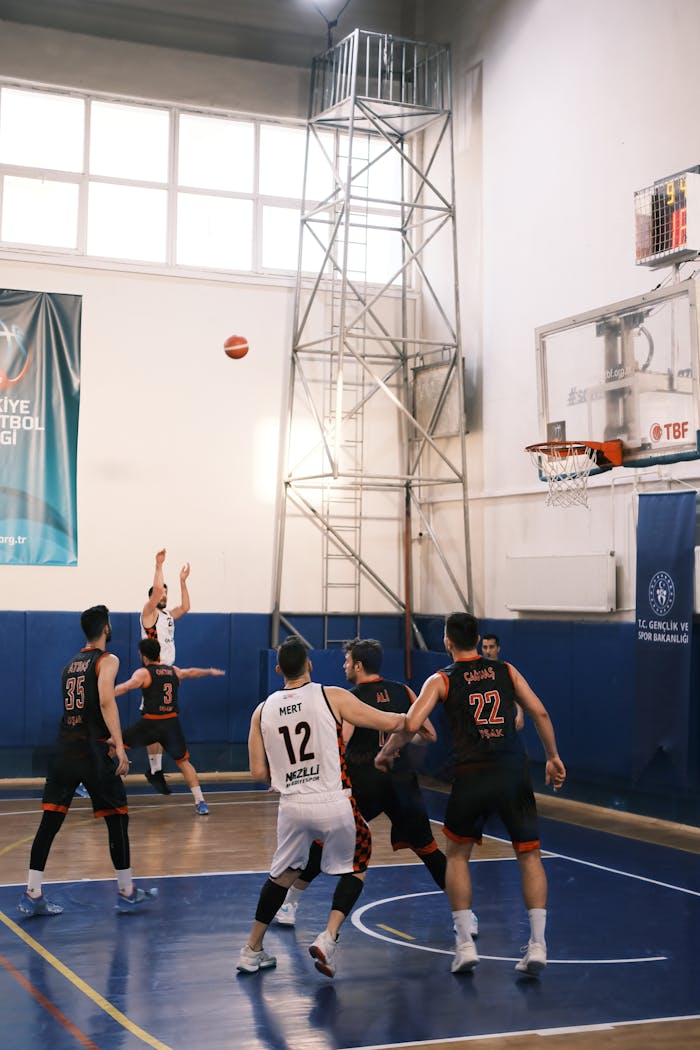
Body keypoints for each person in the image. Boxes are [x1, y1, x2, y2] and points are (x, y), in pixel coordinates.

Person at [377, 612, 566, 977]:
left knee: (458, 856)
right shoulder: (506, 671)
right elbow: (539, 712)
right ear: (479, 640)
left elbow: (412, 724)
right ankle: (538, 945)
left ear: (447, 642)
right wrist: (553, 757)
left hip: (472, 775)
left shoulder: (441, 679)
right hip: (513, 772)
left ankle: (465, 944)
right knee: (529, 856)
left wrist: (386, 752)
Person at [274, 638, 478, 940]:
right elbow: (428, 735)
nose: (344, 666)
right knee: (430, 851)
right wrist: (400, 745)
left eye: (346, 661)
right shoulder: (405, 691)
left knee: (322, 844)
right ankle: (465, 916)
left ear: (358, 665)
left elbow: (338, 743)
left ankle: (290, 905)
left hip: (364, 783)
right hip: (401, 785)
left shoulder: (350, 697)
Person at [237, 636, 415, 980]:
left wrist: (287, 774)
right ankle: (328, 937)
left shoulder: (262, 711)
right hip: (334, 800)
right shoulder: (332, 695)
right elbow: (390, 722)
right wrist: (416, 713)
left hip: (291, 805)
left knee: (282, 876)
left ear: (278, 670)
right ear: (310, 664)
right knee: (358, 863)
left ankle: (251, 950)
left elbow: (258, 773)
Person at [18, 605, 157, 916]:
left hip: (64, 748)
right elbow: (106, 700)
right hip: (92, 752)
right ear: (105, 628)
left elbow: (80, 709)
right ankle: (126, 891)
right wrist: (119, 745)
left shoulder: (70, 665)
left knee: (49, 822)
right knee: (117, 817)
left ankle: (32, 892)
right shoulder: (108, 660)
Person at [114, 637, 224, 815]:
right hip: (171, 724)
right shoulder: (173, 670)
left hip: (150, 724)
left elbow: (126, 687)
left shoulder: (144, 673)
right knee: (184, 763)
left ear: (143, 656)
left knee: (113, 744)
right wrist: (209, 672)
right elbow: (191, 672)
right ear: (159, 654)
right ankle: (200, 802)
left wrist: (104, 695)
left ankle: (96, 784)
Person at [140, 548, 191, 794]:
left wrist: (182, 582)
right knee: (153, 725)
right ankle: (153, 769)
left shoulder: (168, 616)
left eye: (166, 594)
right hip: (153, 674)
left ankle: (156, 770)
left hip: (168, 675)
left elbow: (187, 607)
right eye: (161, 594)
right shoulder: (148, 614)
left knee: (161, 725)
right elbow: (157, 590)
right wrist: (159, 565)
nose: (164, 597)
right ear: (153, 597)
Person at [481, 633, 524, 731]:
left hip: (503, 723)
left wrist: (520, 714)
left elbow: (517, 694)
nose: (488, 651)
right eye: (485, 647)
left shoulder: (506, 670)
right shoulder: (476, 672)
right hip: (482, 725)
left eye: (491, 647)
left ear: (498, 648)